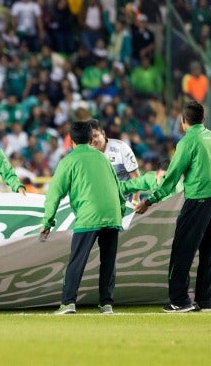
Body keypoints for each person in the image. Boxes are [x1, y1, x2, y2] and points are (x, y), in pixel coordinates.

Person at [41, 121, 125, 315]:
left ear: (71, 141)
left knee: (77, 261)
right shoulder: (103, 158)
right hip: (112, 215)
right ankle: (107, 304)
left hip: (89, 215)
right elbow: (118, 188)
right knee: (108, 262)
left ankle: (68, 302)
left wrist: (47, 222)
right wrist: (119, 213)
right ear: (90, 139)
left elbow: (54, 193)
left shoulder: (69, 161)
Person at [135, 100, 211, 313]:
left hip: (198, 201)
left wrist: (149, 200)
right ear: (203, 119)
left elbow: (172, 177)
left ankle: (180, 300)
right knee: (208, 252)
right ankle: (206, 300)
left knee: (182, 251)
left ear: (183, 121)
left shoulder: (188, 142)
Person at [89, 119, 140, 202]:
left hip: (126, 201)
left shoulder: (121, 148)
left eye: (95, 136)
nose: (92, 141)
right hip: (105, 203)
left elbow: (135, 177)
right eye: (89, 138)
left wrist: (135, 201)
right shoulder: (86, 154)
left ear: (103, 134)